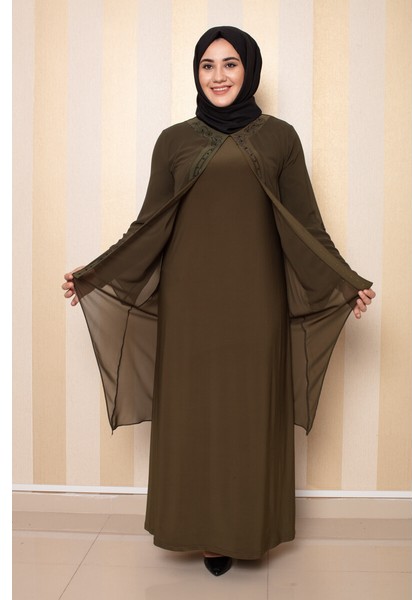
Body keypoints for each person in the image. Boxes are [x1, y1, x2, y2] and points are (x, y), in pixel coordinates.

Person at [62, 26, 375, 577]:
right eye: (208, 65)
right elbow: (149, 225)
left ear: (248, 70)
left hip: (257, 302)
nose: (219, 76)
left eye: (230, 64)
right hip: (189, 305)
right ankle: (205, 533)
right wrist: (96, 273)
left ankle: (247, 529)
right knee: (196, 414)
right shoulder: (173, 141)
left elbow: (306, 224)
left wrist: (342, 280)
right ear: (197, 73)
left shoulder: (280, 138)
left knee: (249, 412)